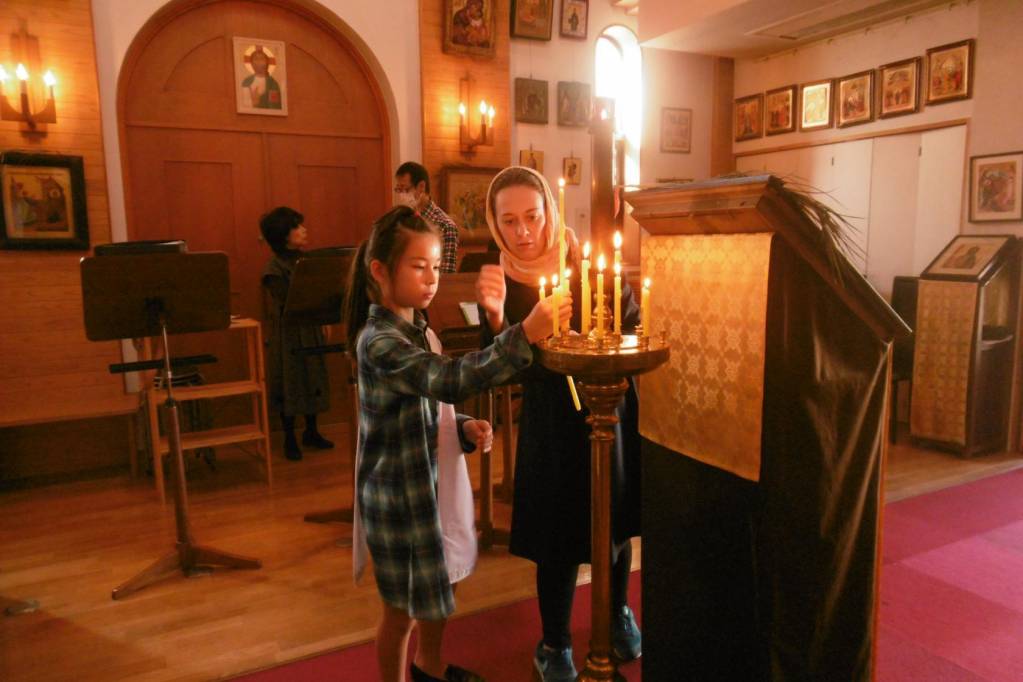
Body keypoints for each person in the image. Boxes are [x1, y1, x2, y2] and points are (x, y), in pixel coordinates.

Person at [344, 205, 571, 682]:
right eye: (418, 266)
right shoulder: (379, 342)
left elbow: (424, 403)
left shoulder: (417, 328)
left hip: (428, 484)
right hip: (399, 498)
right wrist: (525, 333)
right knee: (401, 612)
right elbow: (447, 379)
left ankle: (429, 665)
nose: (432, 278)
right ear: (380, 271)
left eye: (436, 266)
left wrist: (462, 426)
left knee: (439, 585)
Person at [475, 166, 642, 681]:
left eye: (533, 216)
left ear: (550, 209)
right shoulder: (499, 279)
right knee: (557, 537)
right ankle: (555, 642)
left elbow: (631, 324)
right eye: (509, 221)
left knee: (612, 524)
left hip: (608, 408)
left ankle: (616, 612)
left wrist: (611, 322)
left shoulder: (585, 261)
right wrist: (499, 320)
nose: (523, 231)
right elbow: (496, 369)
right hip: (550, 421)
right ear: (495, 224)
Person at [260, 206, 333, 461]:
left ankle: (312, 431)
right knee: (289, 379)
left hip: (311, 327)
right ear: (283, 234)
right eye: (297, 227)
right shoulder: (274, 267)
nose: (304, 230)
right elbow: (287, 300)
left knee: (314, 376)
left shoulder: (309, 260)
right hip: (288, 332)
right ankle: (289, 437)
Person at [394, 162, 460, 274]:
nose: (401, 196)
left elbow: (446, 275)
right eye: (398, 190)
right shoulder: (400, 220)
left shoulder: (445, 225)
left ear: (421, 187)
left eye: (405, 189)